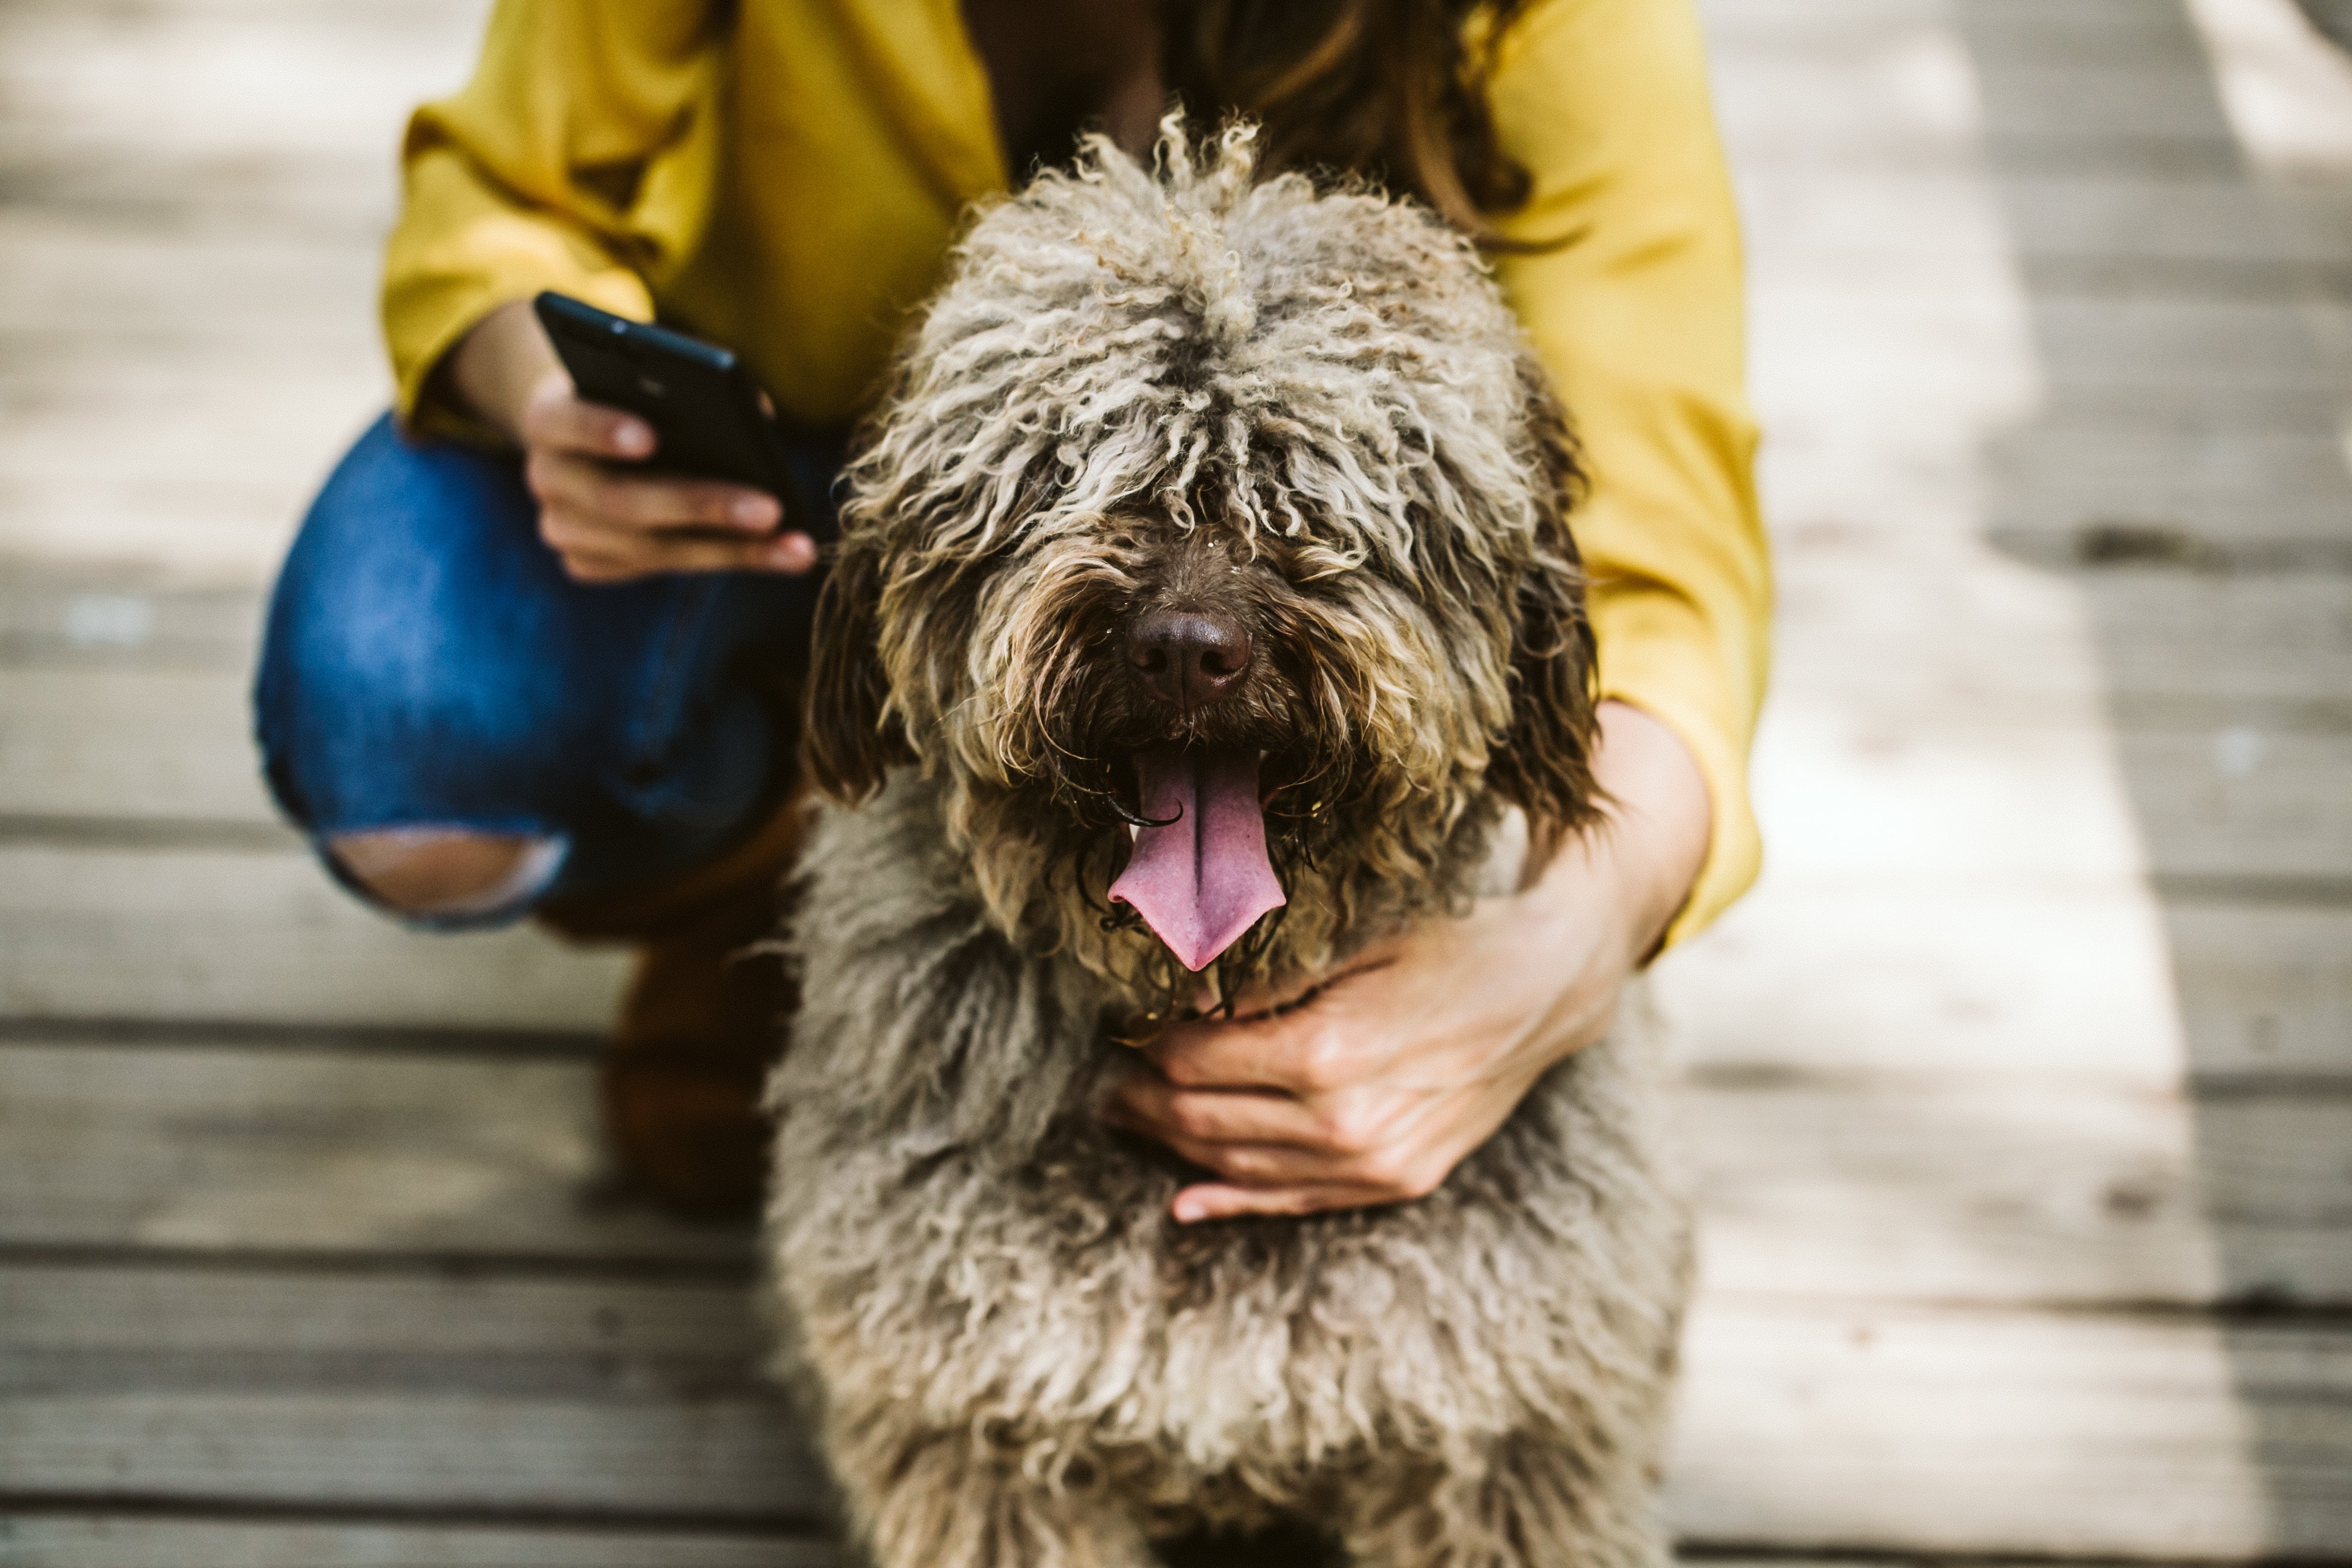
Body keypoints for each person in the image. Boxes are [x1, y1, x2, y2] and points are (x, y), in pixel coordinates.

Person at [254, 0, 1769, 1218]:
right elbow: (505, 193)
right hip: (787, 460)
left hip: (1299, 506)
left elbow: (1654, 531)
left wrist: (1558, 955)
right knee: (410, 719)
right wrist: (554, 401)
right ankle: (762, 923)